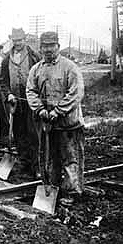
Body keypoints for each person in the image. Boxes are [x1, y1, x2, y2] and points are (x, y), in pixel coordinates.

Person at [26, 31, 85, 204]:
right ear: (41, 48)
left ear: (58, 47)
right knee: (50, 158)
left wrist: (58, 111)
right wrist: (40, 110)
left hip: (68, 124)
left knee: (70, 158)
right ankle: (54, 189)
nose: (48, 49)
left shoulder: (70, 67)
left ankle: (72, 192)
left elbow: (76, 93)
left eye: (52, 45)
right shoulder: (36, 69)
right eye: (45, 46)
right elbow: (30, 91)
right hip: (47, 124)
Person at [0, 27, 41, 176]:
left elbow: (41, 77)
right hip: (15, 103)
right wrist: (8, 94)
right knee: (19, 133)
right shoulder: (6, 59)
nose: (17, 43)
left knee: (33, 133)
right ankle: (24, 162)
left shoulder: (34, 56)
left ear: (25, 39)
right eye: (15, 40)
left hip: (32, 101)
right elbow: (3, 81)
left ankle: (36, 165)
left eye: (20, 40)